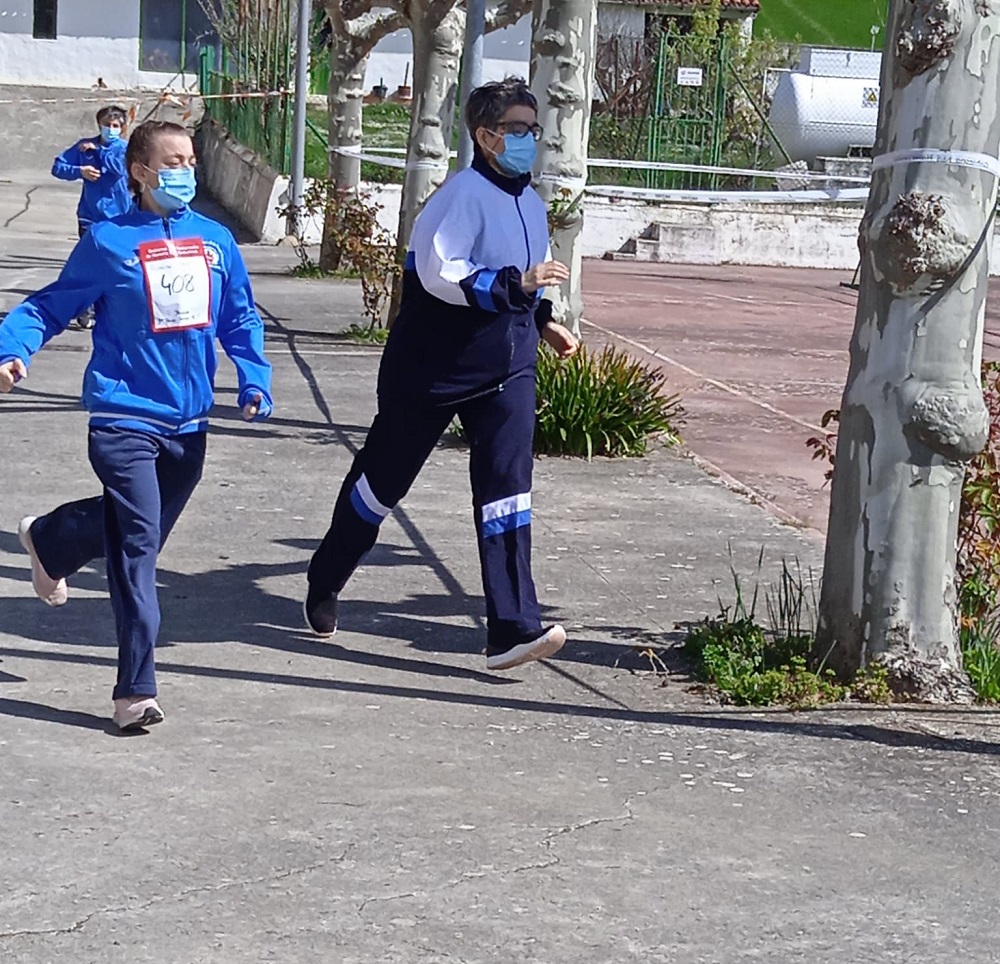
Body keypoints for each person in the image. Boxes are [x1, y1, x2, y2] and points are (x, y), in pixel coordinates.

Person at [0, 120, 274, 732]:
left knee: (131, 530)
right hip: (124, 418)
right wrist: (11, 350)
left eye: (191, 159)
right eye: (172, 160)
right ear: (141, 171)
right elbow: (50, 303)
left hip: (189, 424)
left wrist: (254, 376)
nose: (185, 169)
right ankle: (135, 690)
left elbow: (239, 317)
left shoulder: (215, 241)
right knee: (138, 551)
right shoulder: (108, 242)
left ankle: (52, 539)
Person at [305, 77, 579, 671]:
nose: (529, 139)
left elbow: (526, 281)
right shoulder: (456, 199)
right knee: (381, 488)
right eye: (516, 129)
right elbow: (442, 275)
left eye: (534, 128)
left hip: (508, 370)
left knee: (508, 493)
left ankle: (511, 628)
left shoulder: (530, 201)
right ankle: (326, 577)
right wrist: (519, 286)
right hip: (432, 372)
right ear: (484, 136)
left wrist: (545, 320)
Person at [51, 105, 132, 329]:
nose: (110, 129)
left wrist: (98, 152)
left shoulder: (124, 149)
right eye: (107, 125)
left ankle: (109, 308)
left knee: (115, 264)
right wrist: (80, 170)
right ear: (99, 125)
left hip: (118, 217)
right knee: (88, 263)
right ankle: (85, 308)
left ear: (122, 128)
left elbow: (119, 169)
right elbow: (58, 167)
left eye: (115, 126)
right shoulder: (84, 147)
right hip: (89, 216)